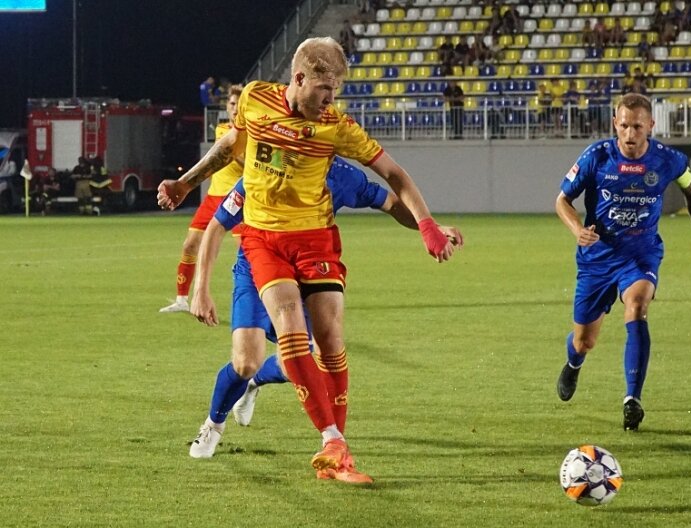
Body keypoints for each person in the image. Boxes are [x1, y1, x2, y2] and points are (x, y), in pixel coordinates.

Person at [157, 36, 456, 483]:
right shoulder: (256, 100)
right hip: (261, 243)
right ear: (299, 78)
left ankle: (336, 450)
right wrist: (185, 184)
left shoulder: (337, 134)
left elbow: (393, 181)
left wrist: (428, 226)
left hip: (315, 242)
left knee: (330, 343)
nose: (330, 100)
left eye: (336, 91)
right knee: (256, 355)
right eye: (324, 90)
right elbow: (229, 151)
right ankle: (259, 429)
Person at [189, 160, 463, 473]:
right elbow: (217, 224)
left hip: (305, 271)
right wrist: (201, 290)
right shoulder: (269, 167)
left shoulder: (342, 176)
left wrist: (429, 226)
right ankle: (214, 423)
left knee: (305, 361)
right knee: (245, 361)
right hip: (256, 266)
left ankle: (264, 389)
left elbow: (391, 203)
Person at [554, 93, 691, 431]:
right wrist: (576, 228)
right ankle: (573, 361)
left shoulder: (669, 160)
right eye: (624, 125)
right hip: (597, 257)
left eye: (637, 127)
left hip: (640, 254)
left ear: (651, 126)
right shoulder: (597, 157)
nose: (629, 134)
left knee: (638, 306)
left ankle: (632, 400)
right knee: (585, 340)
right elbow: (562, 200)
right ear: (615, 123)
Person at [159, 84, 244, 313]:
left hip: (239, 199)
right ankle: (181, 300)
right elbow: (230, 154)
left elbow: (241, 159)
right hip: (214, 198)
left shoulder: (248, 134)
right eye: (232, 104)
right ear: (227, 106)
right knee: (190, 245)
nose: (235, 109)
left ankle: (257, 299)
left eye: (240, 104)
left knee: (247, 253)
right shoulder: (223, 129)